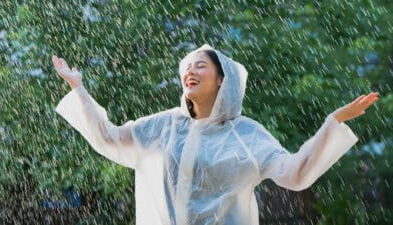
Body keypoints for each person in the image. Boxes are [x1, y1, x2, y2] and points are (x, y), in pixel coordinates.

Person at [52, 44, 379, 225]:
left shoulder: (247, 134)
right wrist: (78, 89)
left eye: (200, 66)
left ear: (223, 79)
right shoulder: (163, 126)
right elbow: (109, 138)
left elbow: (295, 174)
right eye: (187, 67)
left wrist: (331, 123)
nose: (189, 71)